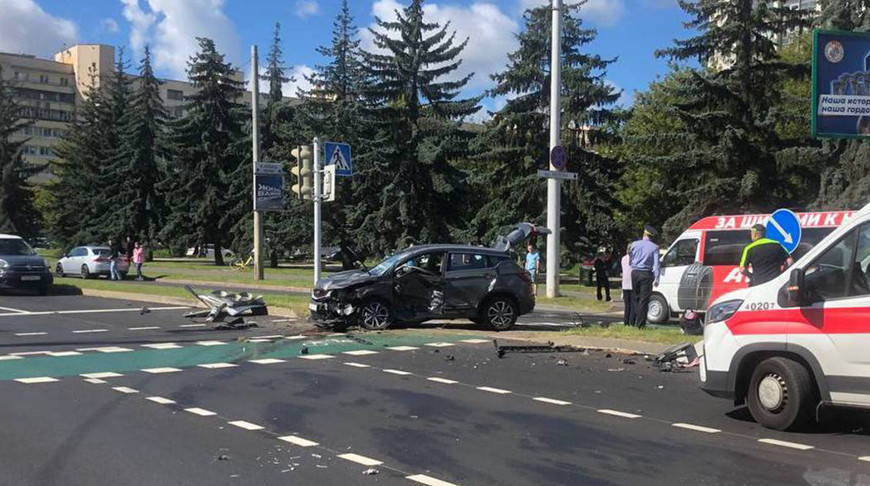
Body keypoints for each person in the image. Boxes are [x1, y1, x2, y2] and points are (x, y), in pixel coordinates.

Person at [629, 225, 661, 328]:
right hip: (646, 274)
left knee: (636, 298)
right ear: (651, 236)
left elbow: (630, 259)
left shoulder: (634, 244)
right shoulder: (654, 247)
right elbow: (656, 264)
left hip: (635, 273)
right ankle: (640, 324)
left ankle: (635, 320)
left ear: (644, 234)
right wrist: (656, 278)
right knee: (644, 299)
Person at [621, 243, 634, 326]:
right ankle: (631, 322)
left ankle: (626, 321)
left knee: (627, 305)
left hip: (625, 283)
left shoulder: (623, 258)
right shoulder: (634, 259)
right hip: (632, 283)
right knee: (633, 304)